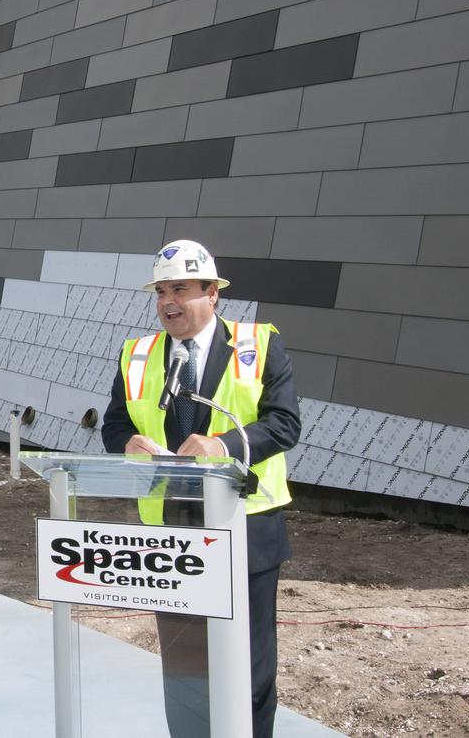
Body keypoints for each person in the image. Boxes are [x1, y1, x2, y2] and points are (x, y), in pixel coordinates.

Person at [101, 239, 299, 738]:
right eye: (162, 291)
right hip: (171, 528)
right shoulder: (139, 354)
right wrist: (130, 445)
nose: (169, 301)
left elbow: (284, 424)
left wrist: (225, 444)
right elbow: (113, 427)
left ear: (213, 294)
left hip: (246, 525)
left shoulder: (259, 345)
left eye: (182, 289)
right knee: (186, 661)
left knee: (248, 663)